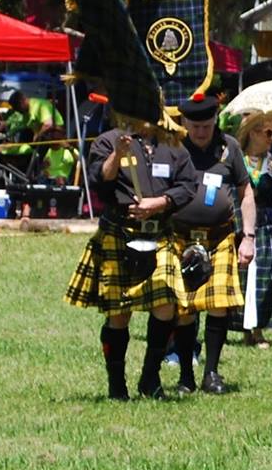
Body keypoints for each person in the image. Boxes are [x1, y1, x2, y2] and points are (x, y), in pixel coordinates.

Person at [64, 124, 198, 400]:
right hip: (120, 234)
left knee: (166, 306)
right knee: (119, 314)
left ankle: (150, 377)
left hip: (159, 234)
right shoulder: (108, 140)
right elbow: (100, 181)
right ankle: (117, 385)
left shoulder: (172, 145)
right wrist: (117, 154)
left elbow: (188, 186)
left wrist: (160, 202)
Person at [170, 93, 255, 395]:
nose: (201, 132)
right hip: (181, 237)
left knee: (218, 305)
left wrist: (249, 237)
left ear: (215, 121)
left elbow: (246, 192)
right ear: (185, 123)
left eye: (206, 126)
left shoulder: (229, 147)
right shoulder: (174, 148)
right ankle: (185, 376)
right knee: (184, 308)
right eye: (195, 127)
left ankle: (212, 373)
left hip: (220, 238)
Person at [237, 113, 272, 346]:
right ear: (252, 133)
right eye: (268, 133)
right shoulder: (237, 161)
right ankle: (243, 327)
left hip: (269, 225)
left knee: (266, 276)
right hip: (243, 224)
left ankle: (259, 328)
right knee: (243, 277)